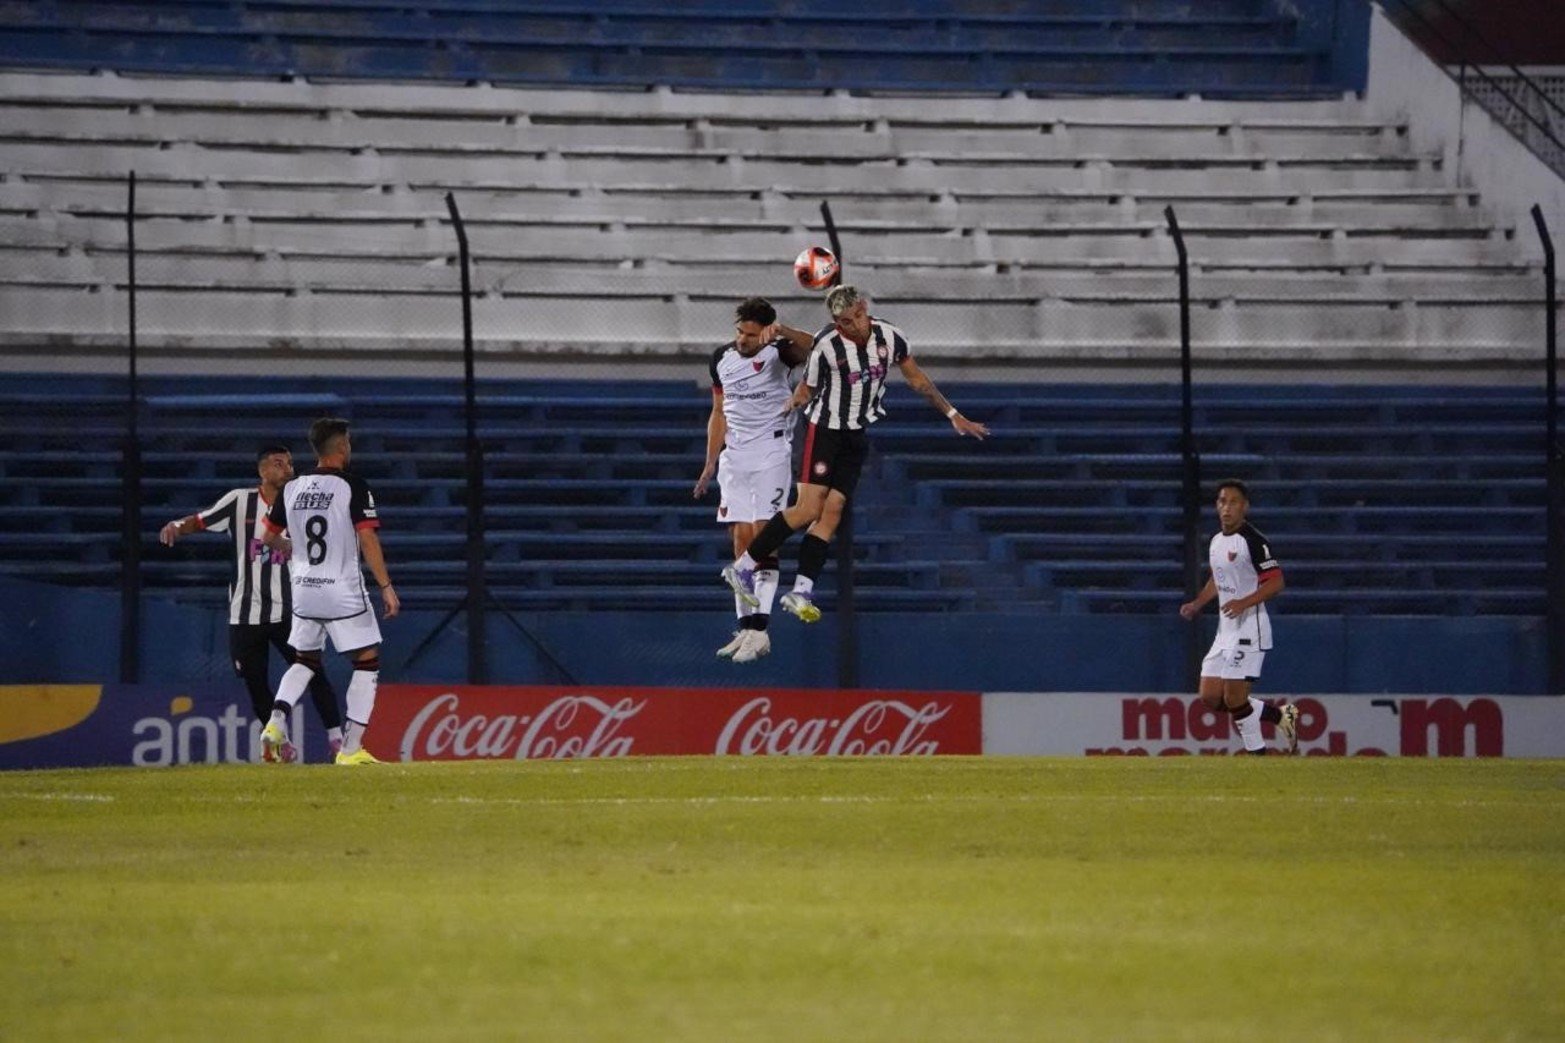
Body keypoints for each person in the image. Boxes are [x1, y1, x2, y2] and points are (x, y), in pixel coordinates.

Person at [721, 283, 989, 622]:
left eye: (854, 317)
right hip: (823, 430)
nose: (851, 325)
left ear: (863, 308)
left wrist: (953, 414)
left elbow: (917, 379)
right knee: (807, 509)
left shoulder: (890, 337)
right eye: (843, 321)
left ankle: (801, 589)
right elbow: (809, 385)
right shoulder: (828, 345)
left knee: (832, 512)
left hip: (855, 432)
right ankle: (743, 568)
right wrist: (797, 399)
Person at [158, 444, 343, 763]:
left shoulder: (304, 506)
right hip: (245, 616)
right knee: (256, 684)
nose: (287, 468)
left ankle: (337, 740)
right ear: (262, 471)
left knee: (314, 672)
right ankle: (280, 742)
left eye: (289, 463)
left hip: (290, 611)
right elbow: (201, 521)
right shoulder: (239, 502)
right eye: (278, 463)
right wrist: (177, 526)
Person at [258, 418, 399, 766]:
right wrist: (386, 586)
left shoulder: (292, 487)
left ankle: (275, 722)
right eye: (348, 442)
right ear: (340, 447)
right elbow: (367, 537)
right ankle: (350, 750)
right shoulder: (353, 486)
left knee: (305, 660)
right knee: (367, 662)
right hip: (342, 590)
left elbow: (268, 538)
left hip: (304, 589)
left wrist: (297, 549)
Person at [693, 298, 815, 663]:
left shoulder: (781, 353)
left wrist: (784, 330)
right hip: (735, 456)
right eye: (740, 332)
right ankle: (745, 628)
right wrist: (710, 461)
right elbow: (719, 411)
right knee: (740, 539)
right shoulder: (721, 358)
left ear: (764, 330)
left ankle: (761, 631)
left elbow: (815, 345)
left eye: (751, 334)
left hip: (771, 453)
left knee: (764, 536)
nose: (743, 340)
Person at [1178, 479, 1299, 754]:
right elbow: (1218, 579)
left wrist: (1244, 601)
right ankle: (1281, 716)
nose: (1227, 508)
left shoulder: (1254, 541)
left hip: (1250, 628)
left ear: (1245, 507)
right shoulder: (1217, 542)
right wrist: (1197, 603)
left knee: (1234, 697)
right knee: (1209, 697)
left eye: (1233, 502)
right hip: (1226, 630)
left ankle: (1257, 755)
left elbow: (1276, 581)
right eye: (1222, 501)